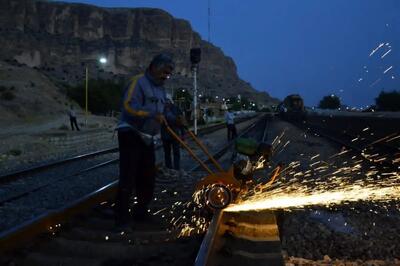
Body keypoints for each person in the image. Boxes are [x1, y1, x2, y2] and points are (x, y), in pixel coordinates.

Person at [115, 53, 174, 229]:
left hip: (147, 137)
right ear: (153, 67)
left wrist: (174, 119)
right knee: (128, 176)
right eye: (164, 72)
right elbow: (127, 106)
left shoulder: (161, 89)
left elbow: (163, 113)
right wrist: (151, 115)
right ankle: (121, 220)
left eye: (168, 74)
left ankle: (140, 212)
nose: (165, 76)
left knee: (147, 177)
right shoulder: (138, 82)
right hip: (130, 132)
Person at [161, 94, 185, 170]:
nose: (166, 102)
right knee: (167, 154)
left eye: (167, 100)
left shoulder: (176, 109)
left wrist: (183, 134)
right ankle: (169, 169)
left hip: (175, 135)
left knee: (176, 153)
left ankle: (176, 169)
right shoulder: (161, 109)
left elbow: (182, 122)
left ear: (170, 100)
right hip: (165, 135)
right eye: (165, 100)